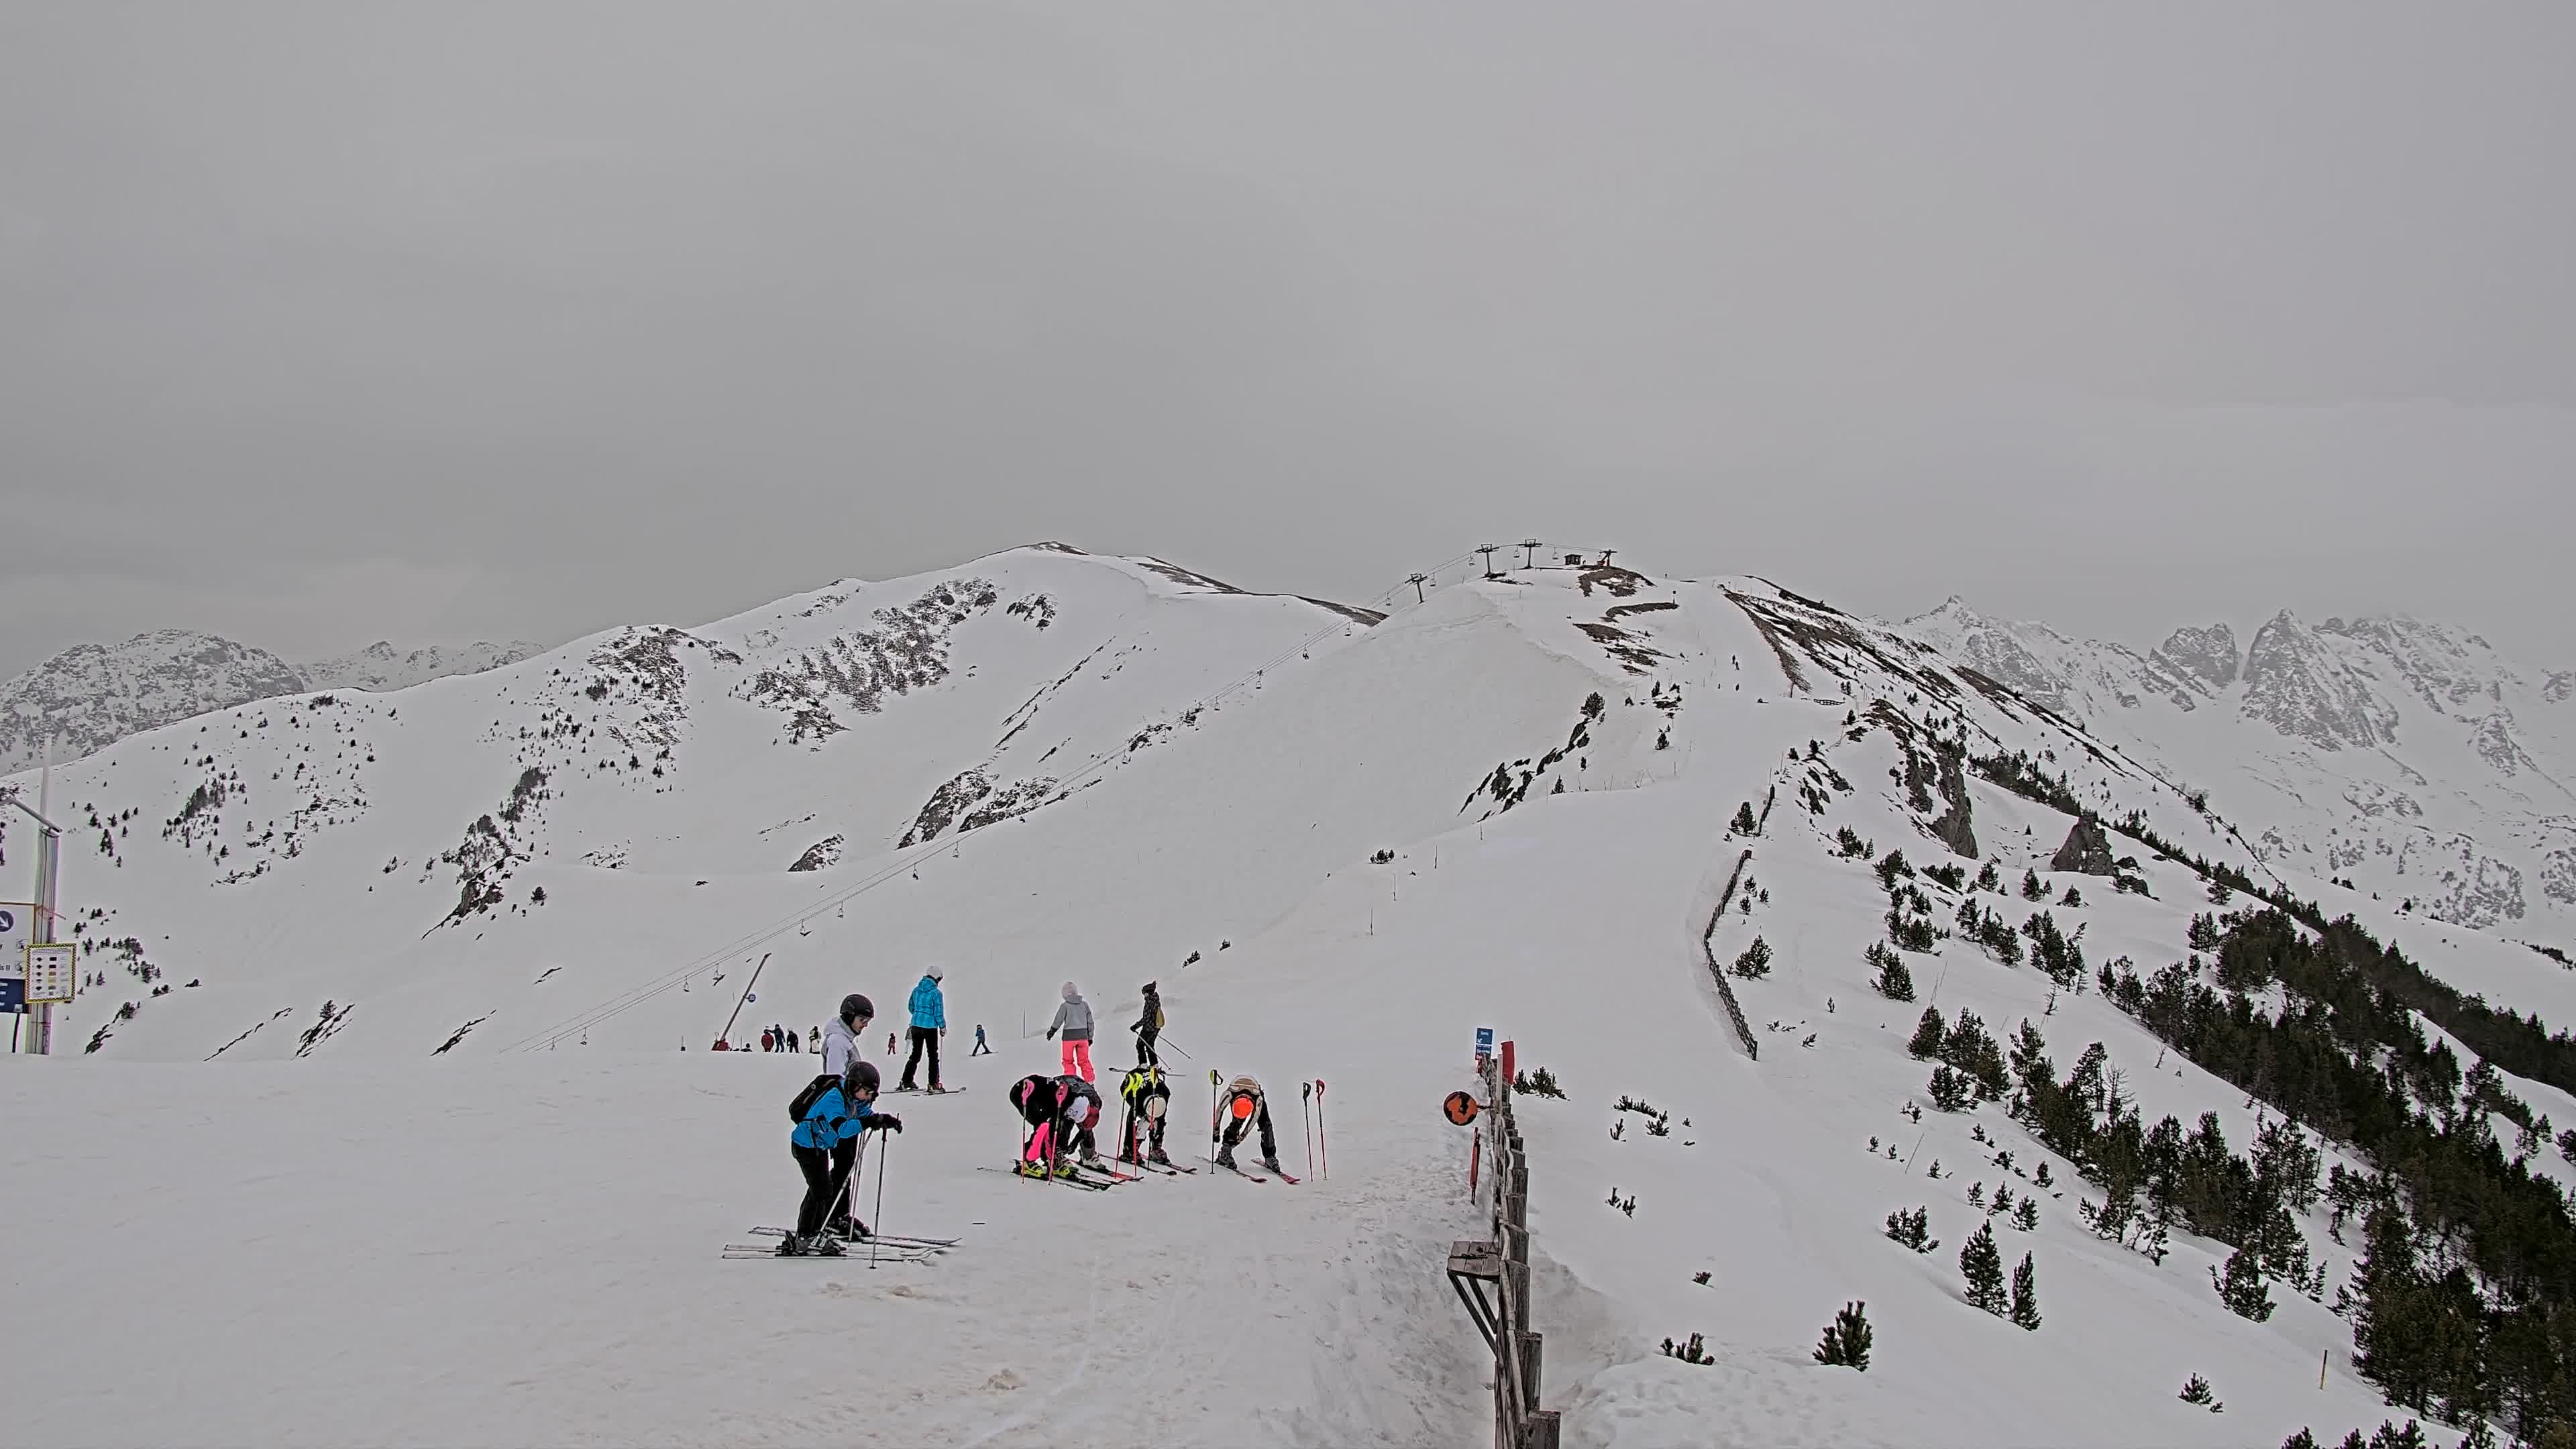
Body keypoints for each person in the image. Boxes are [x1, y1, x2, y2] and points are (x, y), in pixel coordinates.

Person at [784, 1061, 902, 1255]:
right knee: (820, 1190)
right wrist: (869, 1122)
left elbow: (865, 1114)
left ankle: (815, 1232)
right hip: (805, 1146)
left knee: (824, 1190)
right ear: (855, 1085)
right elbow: (843, 1129)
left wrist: (883, 1120)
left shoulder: (854, 1098)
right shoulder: (834, 1099)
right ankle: (805, 1236)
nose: (869, 1098)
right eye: (867, 1092)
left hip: (819, 1145)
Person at [1009, 1073, 1104, 1176]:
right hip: (1022, 1093)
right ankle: (1028, 1162)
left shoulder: (1072, 1101)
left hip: (1040, 1095)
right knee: (1042, 1127)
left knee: (1050, 1128)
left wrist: (1064, 1149)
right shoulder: (1062, 1106)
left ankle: (1052, 1161)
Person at [1214, 1074, 1281, 1173]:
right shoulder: (1229, 1094)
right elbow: (1219, 1110)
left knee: (1266, 1125)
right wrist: (1216, 1130)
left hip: (1255, 1092)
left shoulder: (1258, 1099)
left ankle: (1270, 1157)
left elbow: (1254, 1119)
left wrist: (1243, 1135)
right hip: (1238, 1092)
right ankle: (1225, 1152)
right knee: (1236, 1123)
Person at [1118, 1057, 1173, 1167]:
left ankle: (1155, 1148)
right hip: (1131, 1088)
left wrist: (1156, 1130)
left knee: (1158, 1120)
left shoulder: (1165, 1093)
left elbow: (1161, 1119)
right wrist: (1129, 1144)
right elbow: (1130, 1121)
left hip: (1154, 1098)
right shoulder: (1138, 1097)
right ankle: (1129, 1149)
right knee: (1142, 1122)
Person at [898, 968, 947, 1092]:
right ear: (937, 978)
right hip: (930, 1028)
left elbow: (911, 1007)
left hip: (915, 1026)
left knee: (915, 1054)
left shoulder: (916, 990)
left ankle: (906, 1081)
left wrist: (918, 1016)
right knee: (933, 1056)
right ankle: (933, 1084)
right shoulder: (937, 994)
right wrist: (942, 1026)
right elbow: (938, 1014)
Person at [1044, 981, 1095, 1082]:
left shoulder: (1065, 1006)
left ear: (1064, 994)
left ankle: (1071, 1083)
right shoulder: (1084, 1005)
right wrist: (1090, 1037)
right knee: (1084, 1061)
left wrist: (1052, 1031)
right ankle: (1090, 1082)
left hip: (1068, 1039)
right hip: (1083, 1037)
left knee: (1068, 1061)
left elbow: (1058, 1020)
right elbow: (1090, 1022)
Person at [822, 994, 873, 1078]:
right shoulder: (837, 1042)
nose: (866, 1025)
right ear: (850, 1017)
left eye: (867, 1021)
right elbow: (835, 1080)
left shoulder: (844, 1039)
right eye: (862, 1020)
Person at [1130, 980, 1165, 1065]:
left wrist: (1136, 1026)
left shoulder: (1149, 1002)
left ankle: (1143, 1065)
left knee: (1140, 1045)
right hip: (1156, 1028)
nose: (1144, 995)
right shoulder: (1156, 1000)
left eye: (1145, 993)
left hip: (1148, 1029)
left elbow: (1146, 1018)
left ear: (1148, 993)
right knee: (1150, 1046)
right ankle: (1154, 1065)